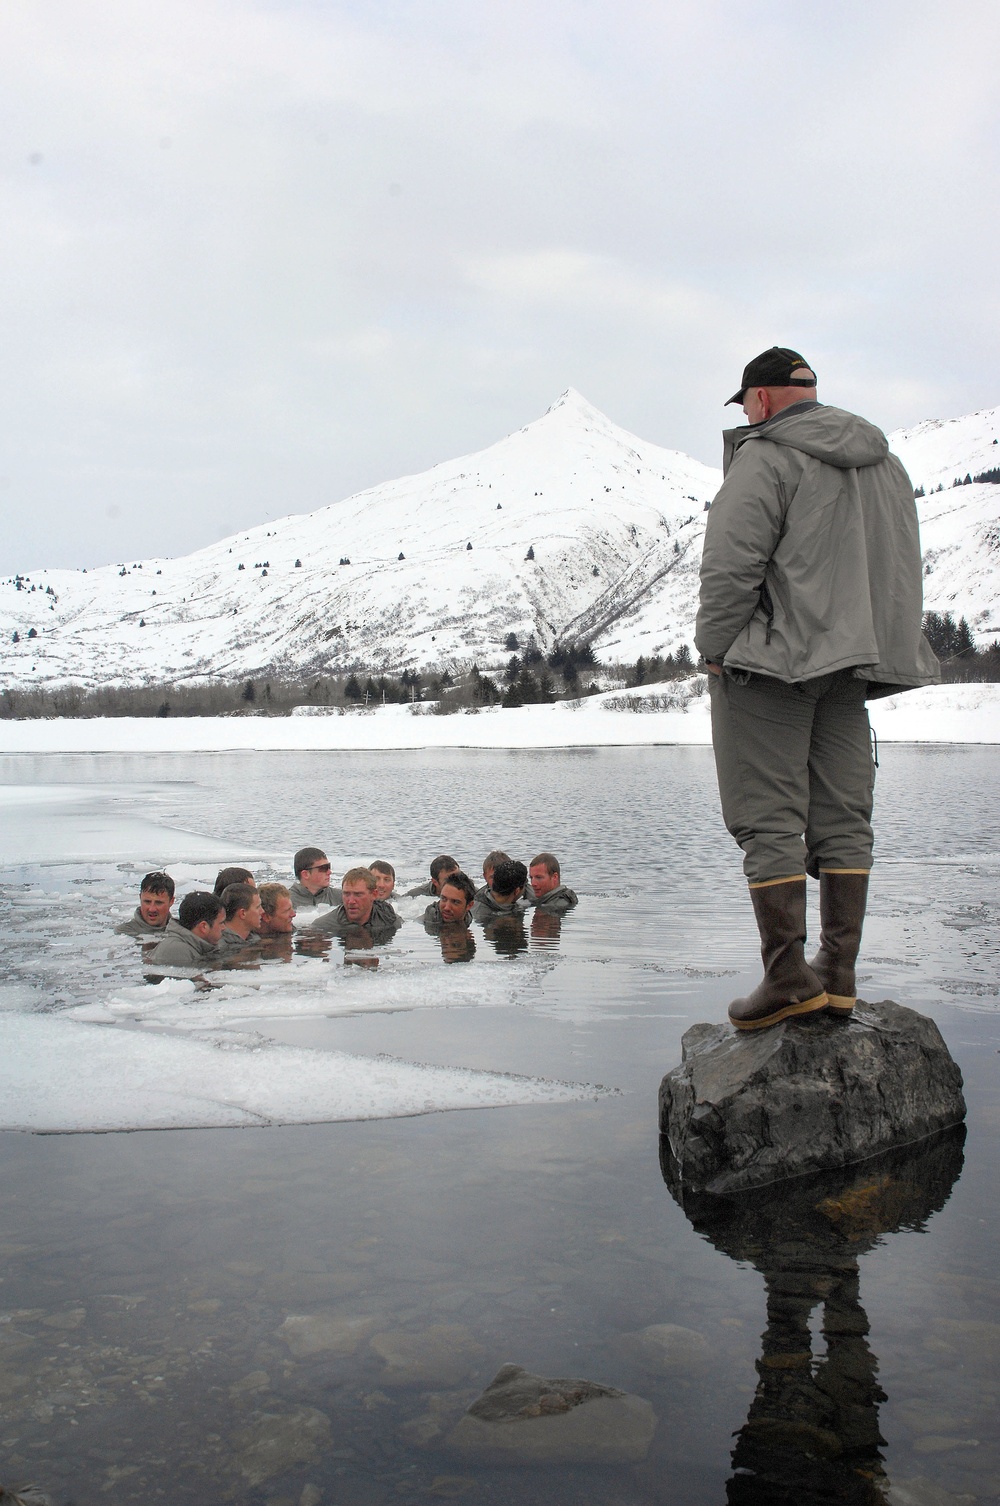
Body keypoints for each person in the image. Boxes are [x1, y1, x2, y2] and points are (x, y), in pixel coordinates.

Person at [697, 346, 940, 1031]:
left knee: (766, 817)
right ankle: (838, 974)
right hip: (852, 663)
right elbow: (896, 568)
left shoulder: (765, 457)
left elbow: (729, 567)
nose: (745, 414)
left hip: (772, 665)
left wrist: (716, 650)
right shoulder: (883, 463)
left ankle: (786, 978)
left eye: (745, 402)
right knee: (843, 815)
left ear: (764, 399)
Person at [308, 866, 401, 942]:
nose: (351, 901)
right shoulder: (323, 926)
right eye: (346, 894)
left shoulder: (389, 918)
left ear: (374, 894)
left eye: (358, 894)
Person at [146, 891, 226, 967]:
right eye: (221, 923)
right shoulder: (177, 951)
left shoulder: (196, 947)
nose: (224, 928)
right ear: (203, 927)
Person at [115, 871, 181, 937]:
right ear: (140, 898)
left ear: (171, 901)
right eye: (147, 902)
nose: (152, 909)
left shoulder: (182, 931)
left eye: (159, 903)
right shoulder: (124, 932)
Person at [215, 882, 263, 953]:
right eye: (258, 907)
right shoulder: (219, 947)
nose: (262, 911)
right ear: (243, 913)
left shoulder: (253, 938)